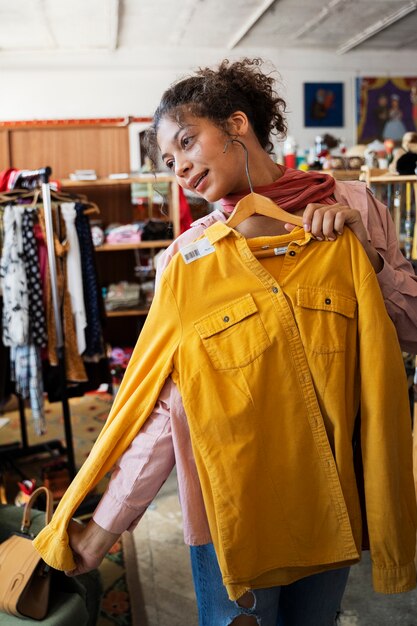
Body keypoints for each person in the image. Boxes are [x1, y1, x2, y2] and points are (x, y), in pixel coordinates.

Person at [33, 59, 417, 626]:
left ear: (237, 124)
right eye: (168, 160)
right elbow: (166, 408)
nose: (181, 168)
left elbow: (407, 333)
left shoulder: (355, 207)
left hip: (333, 489)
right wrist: (105, 525)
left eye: (187, 142)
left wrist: (367, 257)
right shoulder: (187, 260)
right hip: (231, 502)